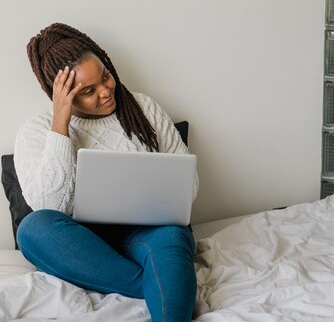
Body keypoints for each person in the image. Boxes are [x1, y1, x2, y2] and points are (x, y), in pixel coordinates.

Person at [14, 22, 199, 322]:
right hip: (86, 242)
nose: (105, 92)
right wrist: (60, 125)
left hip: (151, 231)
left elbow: (188, 188)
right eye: (88, 91)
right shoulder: (35, 131)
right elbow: (51, 207)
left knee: (172, 238)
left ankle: (159, 279)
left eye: (106, 77)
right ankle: (155, 280)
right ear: (61, 95)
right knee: (32, 229)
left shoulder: (143, 107)